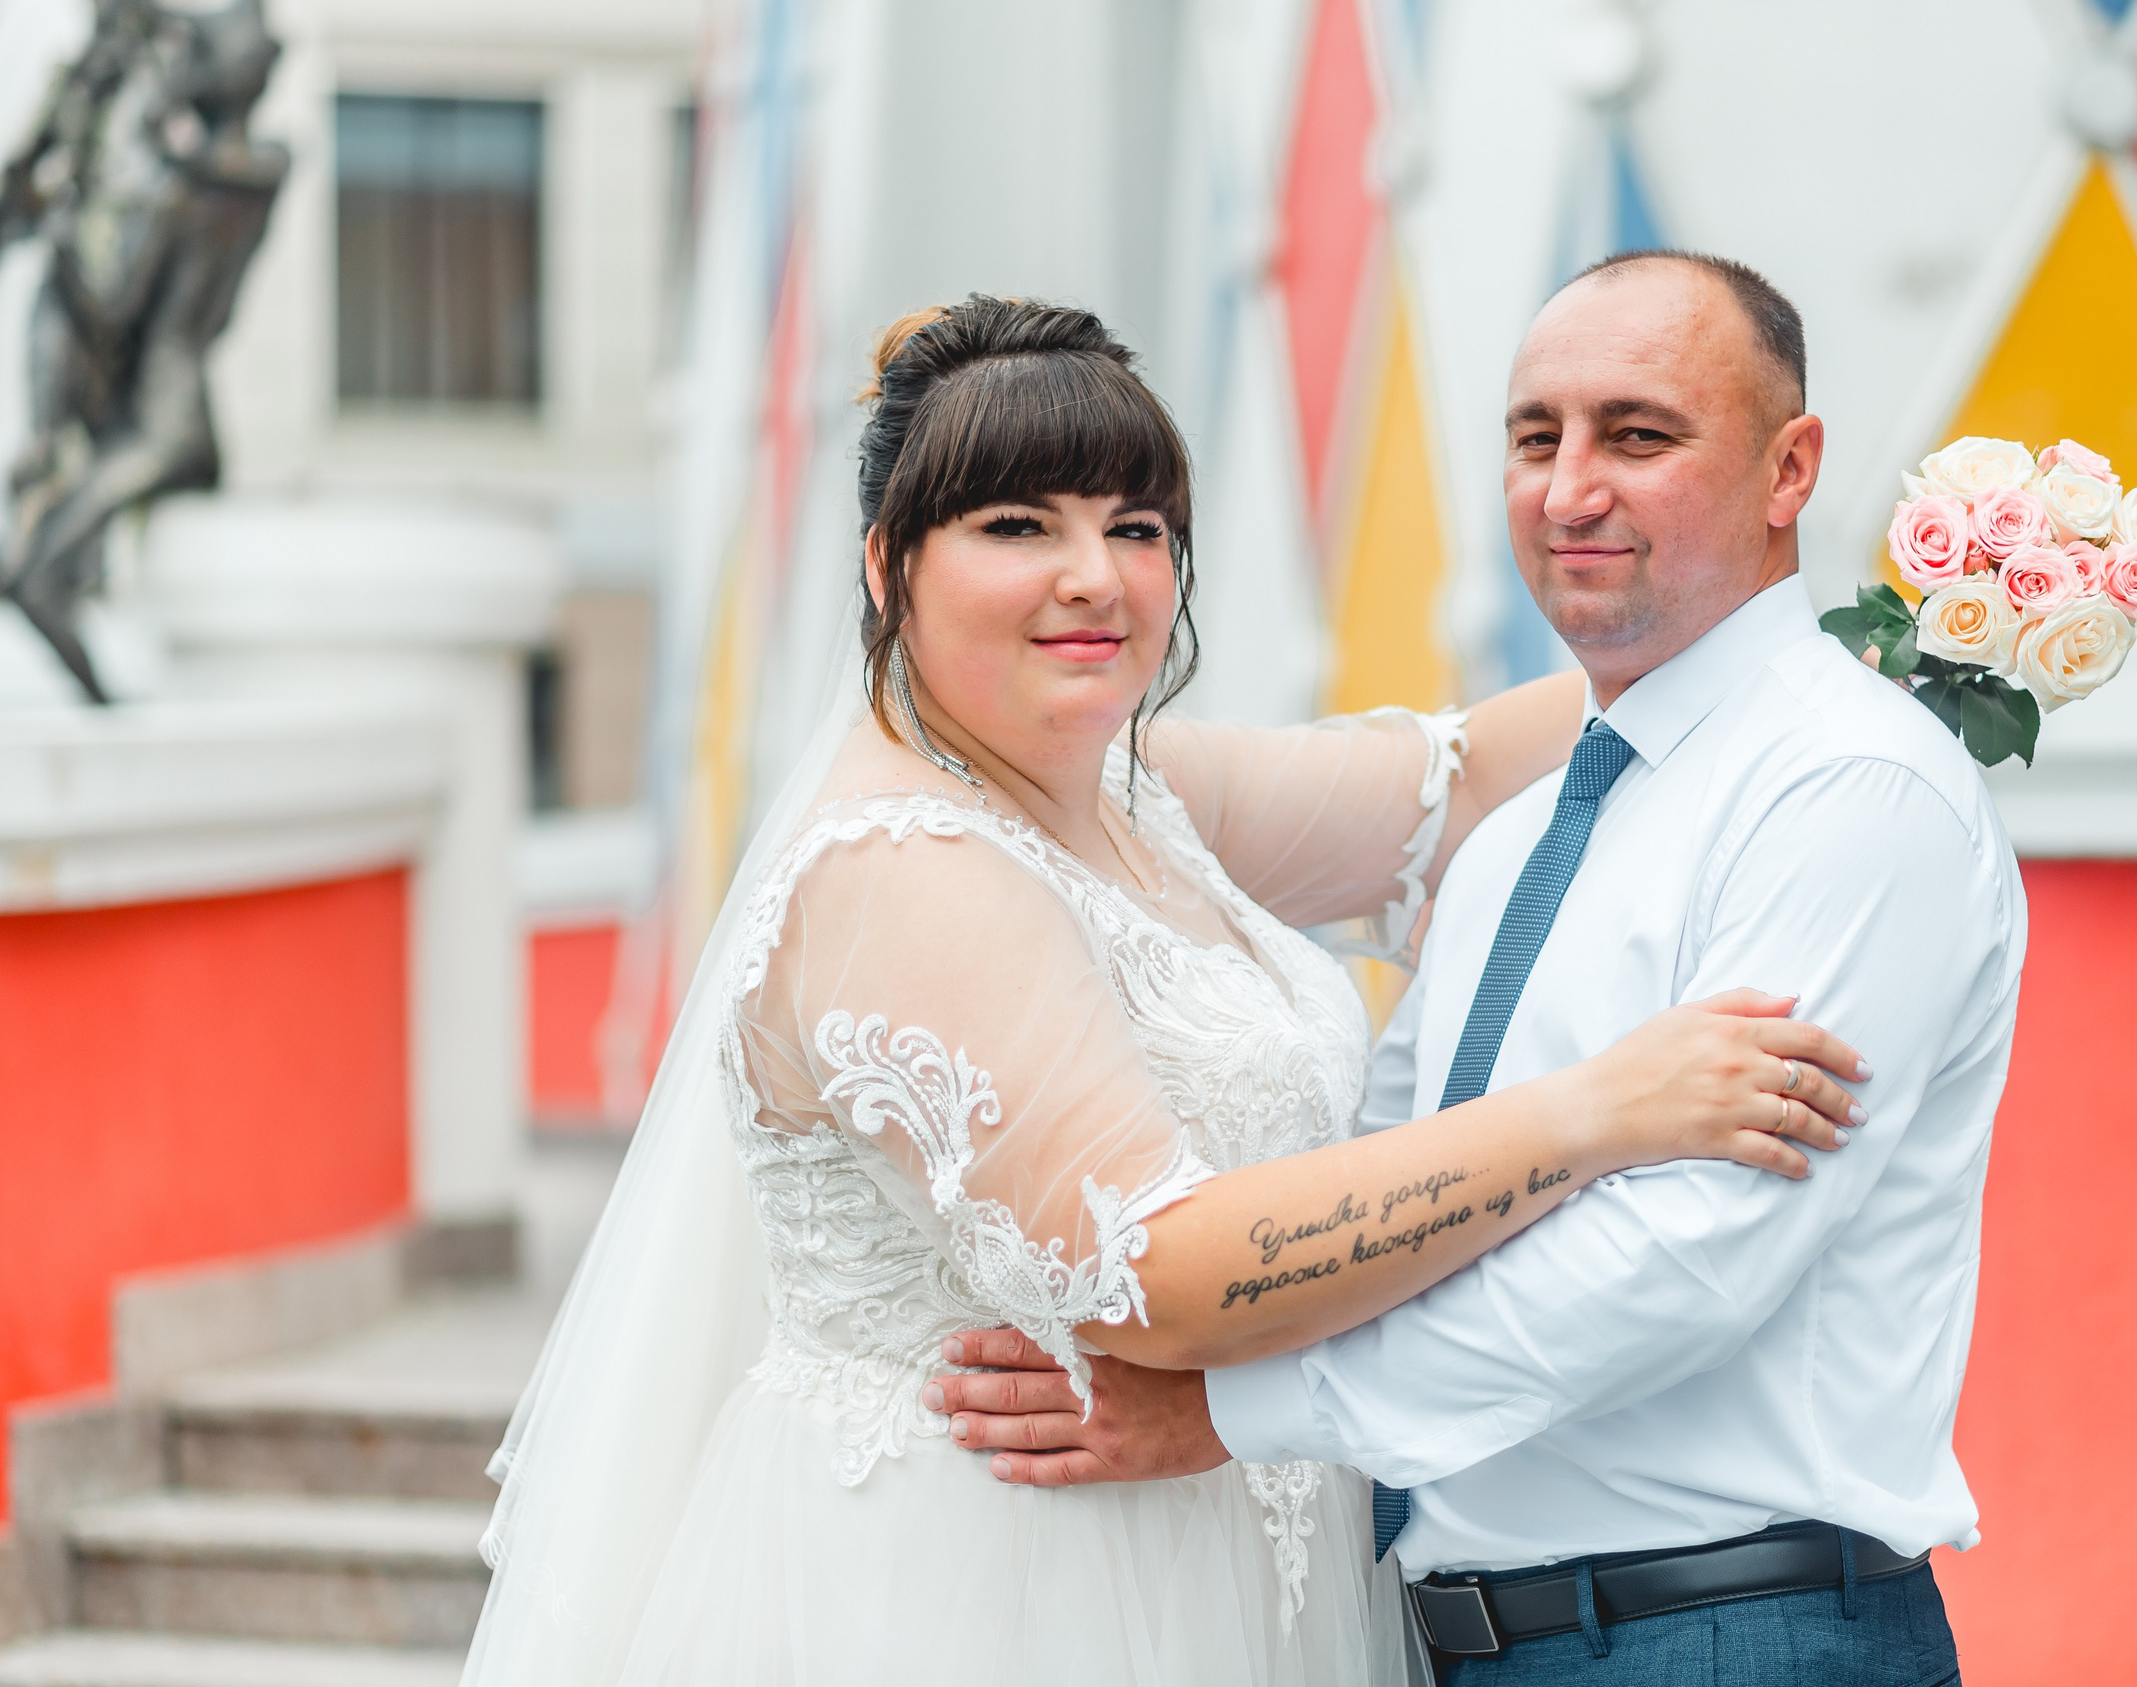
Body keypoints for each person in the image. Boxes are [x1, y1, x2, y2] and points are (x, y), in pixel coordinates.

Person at [461, 293, 1876, 1687]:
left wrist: (1855, 641)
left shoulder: (1137, 795)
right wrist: (1589, 1116)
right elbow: (1166, 1276)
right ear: (890, 565)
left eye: (1136, 527)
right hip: (993, 1583)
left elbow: (1448, 780)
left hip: (1223, 1557)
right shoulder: (903, 868)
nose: (1096, 576)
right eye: (1020, 526)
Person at [932, 253, 2029, 1686]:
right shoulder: (1521, 839)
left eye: (1638, 435)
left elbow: (1683, 1264)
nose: (1570, 488)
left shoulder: (1850, 792)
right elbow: (1400, 1182)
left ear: (1789, 469)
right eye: (1535, 437)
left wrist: (1231, 1411)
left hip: (1722, 1632)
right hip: (1471, 1641)